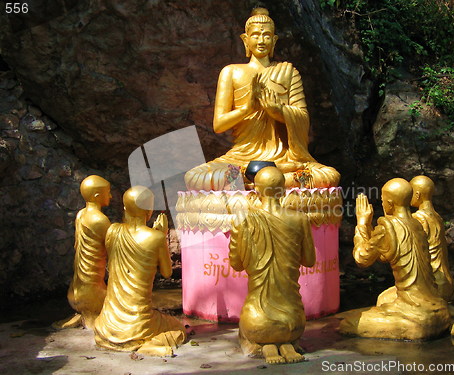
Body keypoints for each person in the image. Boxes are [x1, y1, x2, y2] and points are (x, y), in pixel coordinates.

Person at [184, 8, 340, 191]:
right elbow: (219, 125)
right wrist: (247, 108)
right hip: (241, 159)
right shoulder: (231, 72)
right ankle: (270, 184)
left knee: (329, 176)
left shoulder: (288, 73)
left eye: (266, 36)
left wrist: (279, 111)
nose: (261, 40)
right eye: (256, 35)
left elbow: (302, 117)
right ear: (245, 39)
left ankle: (253, 185)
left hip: (282, 160)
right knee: (194, 177)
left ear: (274, 40)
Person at [339, 178, 450, 340]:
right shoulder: (416, 224)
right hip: (439, 310)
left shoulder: (387, 227)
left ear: (389, 204)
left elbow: (362, 258)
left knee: (348, 324)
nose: (382, 204)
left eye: (383, 201)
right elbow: (386, 254)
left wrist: (362, 223)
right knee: (383, 301)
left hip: (415, 315)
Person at [229, 167, 316, 364]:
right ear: (283, 191)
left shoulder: (243, 220)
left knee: (249, 327)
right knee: (287, 331)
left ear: (255, 191)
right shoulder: (300, 219)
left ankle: (265, 345)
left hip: (256, 322)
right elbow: (309, 261)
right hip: (294, 323)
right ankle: (287, 344)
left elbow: (236, 264)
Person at [93, 186, 186, 356]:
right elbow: (166, 273)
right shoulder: (156, 238)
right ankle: (149, 345)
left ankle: (123, 340)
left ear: (124, 208)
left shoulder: (112, 231)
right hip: (139, 324)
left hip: (105, 327)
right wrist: (162, 236)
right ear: (149, 211)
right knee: (179, 329)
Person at [55, 175, 111, 329]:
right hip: (94, 295)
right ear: (98, 196)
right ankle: (93, 317)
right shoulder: (100, 220)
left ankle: (83, 314)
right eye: (108, 192)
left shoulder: (81, 215)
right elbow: (114, 249)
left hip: (74, 291)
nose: (111, 196)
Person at [410, 175, 454, 300]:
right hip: (447, 282)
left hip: (433, 284)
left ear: (417, 195)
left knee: (383, 298)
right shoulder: (437, 217)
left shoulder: (418, 218)